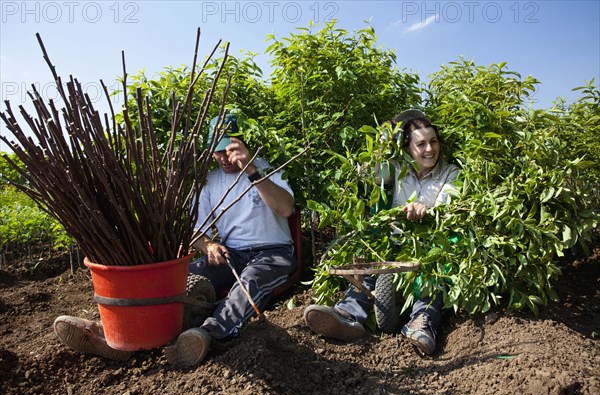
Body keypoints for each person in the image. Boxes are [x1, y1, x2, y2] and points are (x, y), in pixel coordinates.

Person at [53, 114, 297, 366]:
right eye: (217, 151)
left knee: (249, 282)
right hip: (231, 253)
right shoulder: (209, 182)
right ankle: (111, 333)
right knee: (177, 280)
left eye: (229, 149)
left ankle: (206, 335)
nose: (224, 157)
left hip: (273, 252)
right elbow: (195, 232)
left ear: (241, 144)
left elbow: (286, 209)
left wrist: (252, 171)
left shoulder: (268, 170)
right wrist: (208, 245)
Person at [303, 109, 460, 355]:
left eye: (433, 141)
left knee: (432, 269)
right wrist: (382, 144)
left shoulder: (449, 172)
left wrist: (425, 209)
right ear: (407, 148)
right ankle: (348, 314)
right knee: (369, 264)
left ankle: (423, 320)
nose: (429, 149)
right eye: (421, 144)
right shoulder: (397, 169)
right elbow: (365, 176)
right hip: (393, 238)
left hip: (428, 242)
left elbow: (447, 206)